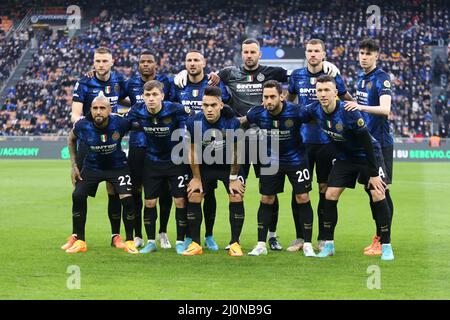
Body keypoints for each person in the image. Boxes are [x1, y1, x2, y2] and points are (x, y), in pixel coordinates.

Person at [303, 75, 394, 261]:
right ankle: (328, 245)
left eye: (327, 90)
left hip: (368, 155)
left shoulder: (349, 111)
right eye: (319, 91)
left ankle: (386, 246)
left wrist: (374, 173)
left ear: (336, 92)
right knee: (330, 194)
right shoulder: (314, 110)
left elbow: (367, 142)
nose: (323, 94)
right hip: (345, 158)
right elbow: (293, 114)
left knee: (378, 193)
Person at [286, 38, 353, 252]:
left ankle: (324, 237)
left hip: (327, 143)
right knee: (299, 191)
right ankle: (300, 237)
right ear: (305, 53)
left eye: (316, 51)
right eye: (309, 51)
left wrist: (358, 109)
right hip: (302, 143)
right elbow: (289, 101)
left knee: (326, 189)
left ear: (323, 54)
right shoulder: (297, 76)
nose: (312, 54)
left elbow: (346, 100)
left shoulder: (333, 76)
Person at [243, 80, 316, 257]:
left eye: (272, 97)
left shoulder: (297, 111)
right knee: (266, 198)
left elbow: (319, 115)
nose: (269, 101)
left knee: (302, 197)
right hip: (271, 161)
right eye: (265, 97)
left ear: (281, 96)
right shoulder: (256, 113)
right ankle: (261, 244)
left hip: (296, 160)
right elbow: (240, 123)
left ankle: (307, 244)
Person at [61, 94, 138, 254]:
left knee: (127, 199)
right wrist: (74, 165)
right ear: (90, 110)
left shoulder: (120, 122)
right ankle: (79, 239)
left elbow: (139, 124)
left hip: (117, 167)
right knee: (78, 195)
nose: (98, 112)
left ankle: (128, 240)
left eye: (102, 108)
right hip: (92, 168)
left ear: (110, 110)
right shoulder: (82, 125)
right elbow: (71, 139)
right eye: (95, 108)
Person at [171, 50, 231, 251]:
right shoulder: (178, 84)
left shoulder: (214, 83)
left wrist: (219, 75)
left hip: (210, 147)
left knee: (209, 193)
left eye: (196, 60)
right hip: (183, 146)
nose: (192, 63)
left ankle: (209, 235)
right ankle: (188, 236)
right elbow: (165, 101)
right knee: (188, 193)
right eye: (188, 60)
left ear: (204, 62)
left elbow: (228, 101)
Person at [71, 47, 130, 249]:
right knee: (79, 191)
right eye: (98, 61)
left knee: (113, 189)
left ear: (112, 62)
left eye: (105, 61)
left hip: (110, 143)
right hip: (88, 143)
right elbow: (75, 114)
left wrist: (122, 114)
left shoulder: (119, 82)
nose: (101, 64)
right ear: (93, 62)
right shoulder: (85, 82)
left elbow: (131, 102)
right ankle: (77, 236)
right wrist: (88, 127)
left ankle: (116, 236)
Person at [126, 80, 191, 254]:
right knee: (149, 202)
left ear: (162, 95)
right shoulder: (137, 110)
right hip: (152, 162)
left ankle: (180, 241)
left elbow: (188, 121)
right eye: (147, 95)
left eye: (155, 94)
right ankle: (151, 242)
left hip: (175, 161)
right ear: (143, 97)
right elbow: (121, 124)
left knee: (180, 201)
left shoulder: (174, 109)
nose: (151, 98)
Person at [344, 38, 394, 256]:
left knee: (380, 192)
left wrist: (359, 105)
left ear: (376, 56)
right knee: (371, 190)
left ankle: (383, 241)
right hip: (366, 145)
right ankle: (380, 238)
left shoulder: (381, 78)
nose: (363, 57)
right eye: (361, 53)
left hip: (380, 144)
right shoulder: (361, 79)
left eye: (368, 54)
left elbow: (385, 109)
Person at [184, 86, 246, 256]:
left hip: (227, 165)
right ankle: (196, 244)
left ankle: (235, 243)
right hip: (205, 165)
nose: (209, 109)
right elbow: (192, 151)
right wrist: (196, 178)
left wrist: (233, 177)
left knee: (236, 194)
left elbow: (236, 152)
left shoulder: (231, 122)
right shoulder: (193, 122)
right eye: (205, 105)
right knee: (195, 194)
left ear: (220, 105)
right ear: (201, 106)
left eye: (213, 105)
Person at [124, 51, 174, 250]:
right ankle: (137, 234)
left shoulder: (166, 82)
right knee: (136, 191)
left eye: (149, 62)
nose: (145, 65)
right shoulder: (129, 84)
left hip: (163, 145)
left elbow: (173, 105)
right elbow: (111, 97)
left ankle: (162, 232)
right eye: (142, 62)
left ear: (156, 64)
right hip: (137, 145)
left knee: (165, 191)